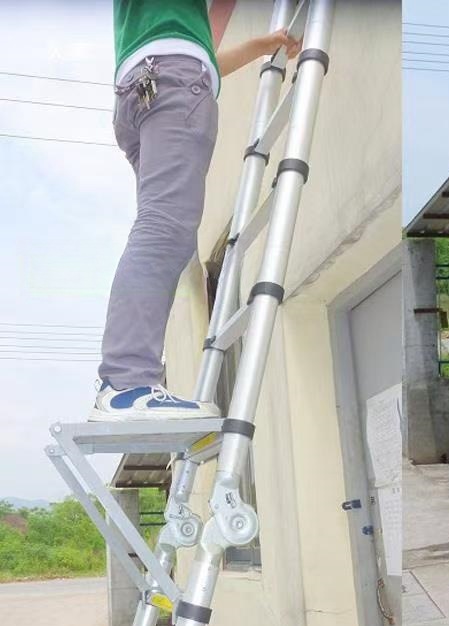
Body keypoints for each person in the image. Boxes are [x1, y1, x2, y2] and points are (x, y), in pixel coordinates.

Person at [90, 0, 300, 422]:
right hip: (172, 81)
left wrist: (260, 46)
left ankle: (126, 379)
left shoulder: (160, 24)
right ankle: (127, 382)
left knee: (165, 233)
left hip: (144, 87)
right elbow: (185, 60)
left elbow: (197, 57)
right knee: (164, 229)